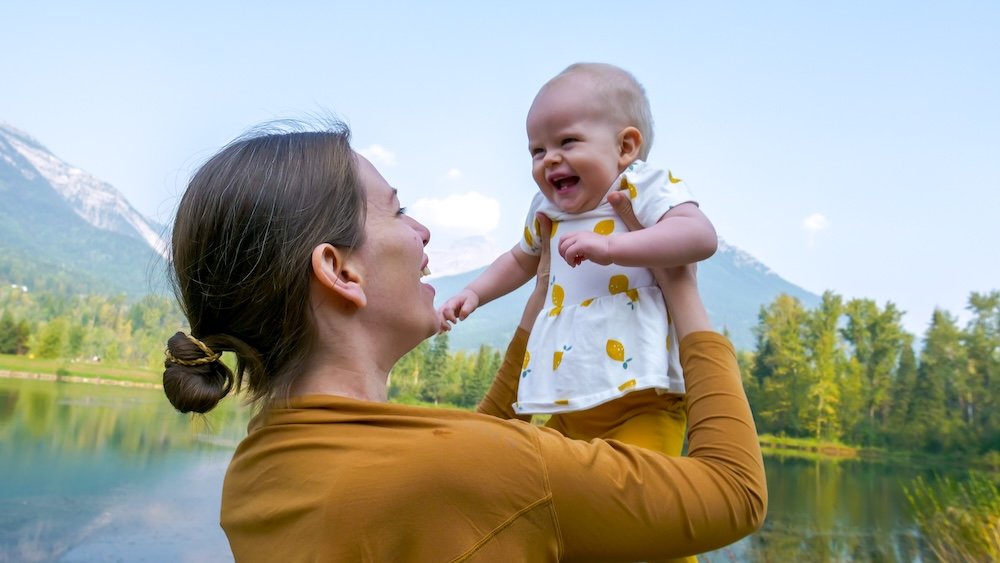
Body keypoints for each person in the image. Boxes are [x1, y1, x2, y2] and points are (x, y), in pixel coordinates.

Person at [162, 120, 766, 561]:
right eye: (399, 212)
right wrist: (680, 286)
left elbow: (459, 484)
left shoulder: (257, 470)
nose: (423, 232)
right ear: (340, 270)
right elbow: (735, 493)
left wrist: (532, 316)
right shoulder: (475, 471)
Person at [439, 62, 718, 456]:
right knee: (552, 495)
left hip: (643, 397)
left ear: (625, 147)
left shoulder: (642, 186)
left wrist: (612, 248)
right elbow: (520, 260)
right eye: (537, 150)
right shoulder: (547, 209)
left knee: (636, 496)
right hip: (564, 397)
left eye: (567, 142)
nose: (549, 159)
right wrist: (474, 293)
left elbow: (699, 236)